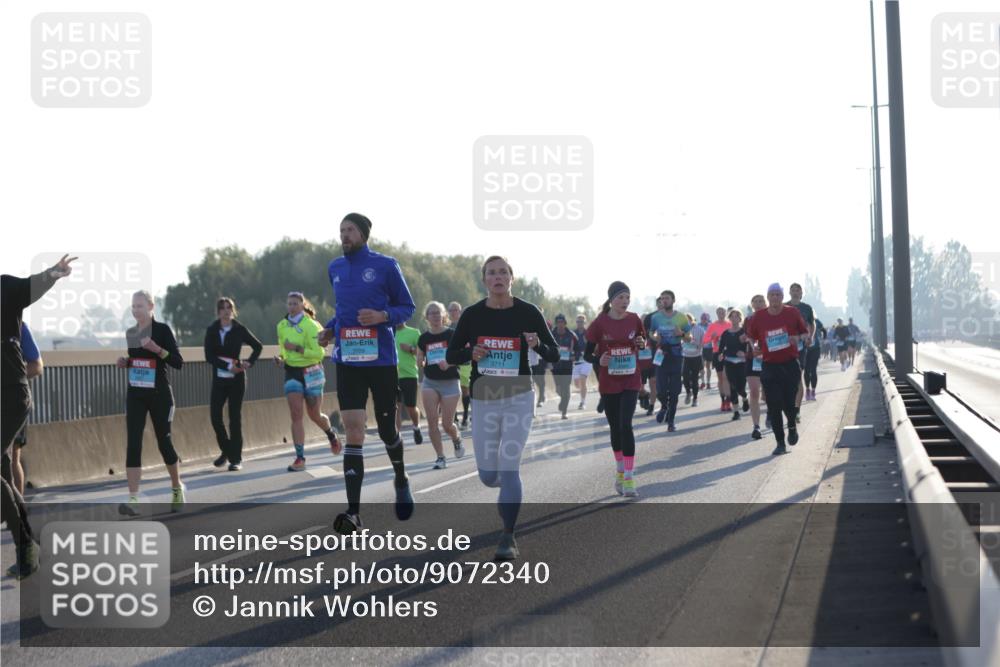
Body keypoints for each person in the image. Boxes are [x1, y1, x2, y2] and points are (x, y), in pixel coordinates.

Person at [446, 256, 559, 560]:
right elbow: (452, 353)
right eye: (491, 273)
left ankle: (508, 536)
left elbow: (555, 353)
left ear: (512, 278)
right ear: (484, 280)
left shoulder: (528, 312)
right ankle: (506, 491)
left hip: (519, 396)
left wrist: (537, 344)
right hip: (484, 399)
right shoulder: (472, 315)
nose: (498, 277)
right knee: (487, 476)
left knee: (509, 468)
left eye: (503, 272)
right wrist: (471, 351)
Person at [320, 213, 417, 535]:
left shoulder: (386, 265)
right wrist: (330, 330)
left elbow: (407, 306)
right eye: (341, 231)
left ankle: (401, 477)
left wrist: (381, 316)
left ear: (363, 234)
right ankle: (354, 513)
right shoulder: (335, 267)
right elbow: (343, 312)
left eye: (349, 231)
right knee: (353, 430)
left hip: (382, 361)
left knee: (388, 429)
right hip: (349, 360)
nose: (344, 236)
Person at [2, 255, 75, 579]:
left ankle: (26, 544)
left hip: (12, 393)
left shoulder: (4, 287)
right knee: (2, 469)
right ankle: (27, 546)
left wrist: (53, 274)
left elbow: (29, 287)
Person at [117, 290, 186, 516]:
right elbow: (139, 361)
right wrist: (126, 362)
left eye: (140, 306)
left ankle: (177, 488)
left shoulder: (163, 330)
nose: (136, 310)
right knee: (133, 443)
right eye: (133, 306)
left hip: (160, 395)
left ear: (151, 307)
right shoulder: (131, 333)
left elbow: (178, 362)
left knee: (164, 442)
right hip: (136, 393)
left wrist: (157, 349)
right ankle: (134, 499)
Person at [585, 282, 646, 497]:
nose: (625, 301)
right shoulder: (599, 323)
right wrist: (598, 359)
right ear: (611, 300)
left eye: (627, 297)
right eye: (620, 297)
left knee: (626, 425)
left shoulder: (634, 319)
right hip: (609, 382)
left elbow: (642, 341)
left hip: (631, 379)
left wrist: (641, 342)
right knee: (615, 428)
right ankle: (620, 470)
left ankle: (628, 477)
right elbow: (586, 354)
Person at [276, 293, 340, 472]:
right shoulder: (281, 326)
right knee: (296, 415)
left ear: (303, 305)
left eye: (295, 303)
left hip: (312, 371)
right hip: (292, 373)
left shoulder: (312, 325)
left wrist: (296, 348)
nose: (291, 307)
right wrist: (281, 358)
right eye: (289, 303)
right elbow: (283, 349)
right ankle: (300, 457)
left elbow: (319, 353)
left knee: (314, 414)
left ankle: (331, 434)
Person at [745, 284, 809, 456]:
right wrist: (754, 347)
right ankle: (780, 443)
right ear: (768, 297)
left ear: (782, 296)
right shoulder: (759, 316)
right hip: (769, 365)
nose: (774, 298)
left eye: (777, 294)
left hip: (789, 364)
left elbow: (805, 333)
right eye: (771, 295)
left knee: (788, 403)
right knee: (774, 405)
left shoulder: (792, 312)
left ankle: (792, 426)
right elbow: (751, 336)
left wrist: (798, 338)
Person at [204, 297, 264, 471]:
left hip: (237, 379)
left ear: (233, 310)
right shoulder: (212, 330)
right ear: (218, 311)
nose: (225, 310)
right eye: (222, 308)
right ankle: (226, 450)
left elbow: (257, 346)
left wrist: (249, 362)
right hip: (219, 379)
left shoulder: (239, 329)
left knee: (234, 418)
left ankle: (235, 459)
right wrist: (227, 366)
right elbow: (209, 356)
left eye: (228, 307)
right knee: (215, 416)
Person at [416, 301, 465, 469]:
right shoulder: (423, 338)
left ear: (444, 315)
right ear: (427, 317)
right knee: (431, 422)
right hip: (430, 382)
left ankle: (456, 438)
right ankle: (440, 457)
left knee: (446, 424)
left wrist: (450, 363)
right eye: (432, 313)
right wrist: (420, 361)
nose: (435, 316)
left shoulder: (452, 334)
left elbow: (464, 355)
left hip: (450, 382)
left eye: (438, 313)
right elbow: (420, 359)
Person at [4, 323, 42, 496]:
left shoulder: (19, 326)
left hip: (14, 403)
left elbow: (37, 366)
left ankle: (17, 514)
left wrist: (10, 377)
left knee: (11, 459)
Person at [649, 290, 692, 431]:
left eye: (667, 298)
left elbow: (689, 338)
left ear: (673, 300)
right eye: (662, 299)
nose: (664, 301)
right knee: (660, 388)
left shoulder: (681, 318)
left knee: (674, 390)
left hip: (676, 354)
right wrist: (656, 338)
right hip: (661, 354)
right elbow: (651, 333)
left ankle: (671, 422)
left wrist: (682, 334)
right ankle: (663, 406)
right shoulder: (656, 318)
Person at [785, 283, 816, 425]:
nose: (795, 292)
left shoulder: (806, 308)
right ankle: (788, 405)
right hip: (784, 346)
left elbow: (812, 324)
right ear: (789, 292)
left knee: (797, 377)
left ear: (801, 293)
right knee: (785, 380)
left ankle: (796, 410)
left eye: (798, 290)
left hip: (800, 347)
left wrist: (810, 336)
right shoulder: (783, 307)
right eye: (793, 290)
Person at [394, 321, 424, 444]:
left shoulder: (414, 332)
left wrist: (411, 349)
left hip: (409, 374)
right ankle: (397, 437)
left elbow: (422, 353)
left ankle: (416, 427)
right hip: (392, 375)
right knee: (396, 408)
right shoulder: (388, 333)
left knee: (411, 407)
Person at [717, 309, 749, 421]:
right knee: (732, 387)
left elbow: (750, 346)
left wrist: (744, 353)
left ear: (740, 318)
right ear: (729, 319)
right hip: (729, 361)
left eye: (737, 316)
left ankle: (745, 397)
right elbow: (721, 347)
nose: (734, 318)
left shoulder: (744, 332)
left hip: (741, 363)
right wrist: (720, 355)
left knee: (741, 387)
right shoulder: (726, 333)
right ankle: (736, 412)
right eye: (732, 316)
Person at [745, 295, 767, 440]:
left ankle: (771, 413)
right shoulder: (748, 320)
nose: (758, 304)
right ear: (752, 305)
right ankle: (756, 426)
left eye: (761, 301)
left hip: (770, 358)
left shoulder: (771, 316)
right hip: (753, 358)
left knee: (768, 392)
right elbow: (747, 336)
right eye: (756, 302)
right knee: (754, 392)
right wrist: (751, 343)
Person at [447, 301, 472, 428]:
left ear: (460, 311)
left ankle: (466, 417)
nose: (453, 312)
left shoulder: (466, 326)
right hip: (453, 362)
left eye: (455, 310)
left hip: (465, 362)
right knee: (453, 391)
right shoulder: (447, 328)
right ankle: (455, 418)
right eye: (451, 310)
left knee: (465, 389)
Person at [550, 314, 578, 419]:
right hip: (556, 366)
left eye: (562, 322)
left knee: (566, 388)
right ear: (556, 324)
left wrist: (575, 356)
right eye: (558, 322)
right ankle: (563, 400)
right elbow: (546, 347)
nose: (560, 324)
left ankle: (564, 412)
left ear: (565, 323)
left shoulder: (571, 335)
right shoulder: (551, 334)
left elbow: (578, 349)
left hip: (567, 366)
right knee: (558, 389)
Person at [704, 308, 731, 411]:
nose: (721, 314)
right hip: (717, 353)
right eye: (719, 313)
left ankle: (728, 400)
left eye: (723, 312)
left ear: (726, 313)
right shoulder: (713, 326)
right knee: (720, 379)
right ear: (716, 314)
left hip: (728, 353)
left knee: (725, 377)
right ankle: (723, 400)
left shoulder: (729, 324)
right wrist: (712, 336)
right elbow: (705, 340)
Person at [639, 298, 660, 415]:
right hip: (641, 364)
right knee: (640, 387)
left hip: (653, 360)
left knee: (653, 382)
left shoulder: (653, 336)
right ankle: (644, 396)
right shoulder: (638, 336)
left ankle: (651, 406)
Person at [682, 313, 705, 407]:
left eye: (688, 320)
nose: (687, 322)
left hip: (696, 356)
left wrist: (699, 345)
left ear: (692, 320)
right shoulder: (682, 329)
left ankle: (695, 398)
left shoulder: (699, 329)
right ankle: (688, 392)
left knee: (695, 378)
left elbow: (703, 341)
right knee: (685, 377)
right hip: (686, 356)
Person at [572, 315, 592, 410]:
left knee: (582, 379)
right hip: (576, 361)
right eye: (578, 322)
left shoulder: (588, 333)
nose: (580, 323)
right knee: (577, 384)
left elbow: (593, 346)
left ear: (585, 323)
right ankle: (583, 390)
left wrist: (587, 342)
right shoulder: (572, 333)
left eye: (582, 322)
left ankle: (582, 402)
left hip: (586, 360)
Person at [804, 318, 826, 401]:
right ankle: (807, 390)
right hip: (805, 349)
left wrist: (824, 339)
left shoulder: (816, 321)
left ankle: (813, 391)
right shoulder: (801, 320)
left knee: (813, 370)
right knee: (806, 371)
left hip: (815, 348)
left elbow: (823, 330)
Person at [699, 312, 714, 391]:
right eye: (702, 319)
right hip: (701, 348)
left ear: (707, 319)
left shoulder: (710, 326)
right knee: (701, 367)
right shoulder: (698, 325)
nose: (703, 320)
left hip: (709, 347)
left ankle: (708, 382)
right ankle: (703, 382)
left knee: (708, 366)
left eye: (705, 319)